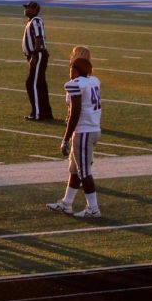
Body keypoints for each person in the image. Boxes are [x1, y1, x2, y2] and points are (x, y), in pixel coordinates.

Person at [46, 47, 102, 218]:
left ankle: (93, 208)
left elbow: (75, 113)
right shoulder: (93, 81)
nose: (70, 71)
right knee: (75, 170)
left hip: (84, 131)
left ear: (77, 70)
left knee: (84, 172)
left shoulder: (75, 84)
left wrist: (65, 138)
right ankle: (67, 203)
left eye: (72, 68)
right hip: (92, 129)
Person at [22, 1, 53, 121]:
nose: (25, 10)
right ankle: (45, 112)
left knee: (33, 83)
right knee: (39, 83)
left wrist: (34, 55)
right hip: (36, 55)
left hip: (38, 54)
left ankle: (38, 113)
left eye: (28, 8)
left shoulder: (36, 21)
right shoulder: (32, 21)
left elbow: (39, 38)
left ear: (34, 9)